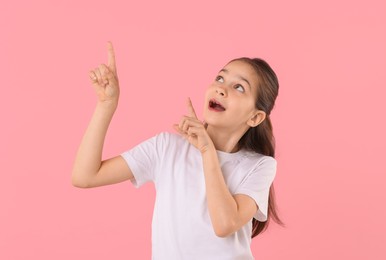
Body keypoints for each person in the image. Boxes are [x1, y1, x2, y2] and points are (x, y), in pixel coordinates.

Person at [72, 42, 283, 259]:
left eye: (239, 87)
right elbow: (85, 176)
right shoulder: (166, 148)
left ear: (255, 117)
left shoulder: (260, 166)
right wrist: (106, 105)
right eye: (220, 78)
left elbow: (224, 224)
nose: (221, 88)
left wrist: (207, 151)